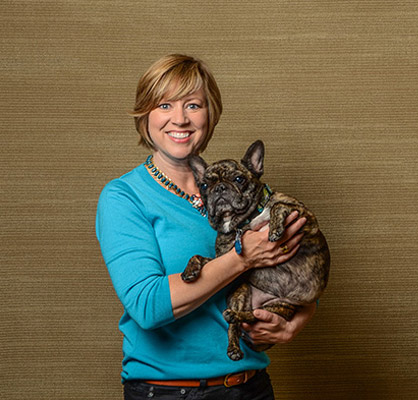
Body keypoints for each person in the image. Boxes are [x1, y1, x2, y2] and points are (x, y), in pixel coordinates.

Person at [96, 54, 315, 399]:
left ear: (210, 113)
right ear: (145, 115)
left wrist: (294, 322)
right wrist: (242, 258)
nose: (179, 119)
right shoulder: (125, 197)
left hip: (249, 386)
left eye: (193, 105)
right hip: (168, 391)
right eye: (164, 105)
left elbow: (296, 271)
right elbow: (147, 306)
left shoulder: (240, 190)